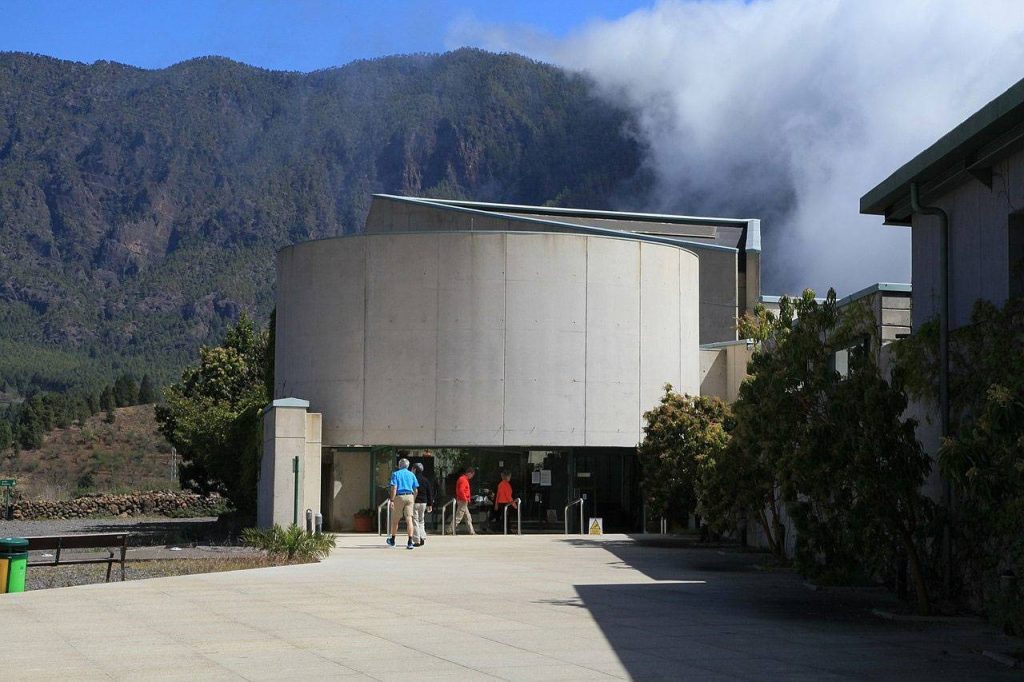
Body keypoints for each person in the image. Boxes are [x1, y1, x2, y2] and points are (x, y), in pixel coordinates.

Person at [387, 458, 418, 549]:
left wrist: (392, 500)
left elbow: (394, 488)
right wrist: (413, 498)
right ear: (408, 466)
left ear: (399, 465)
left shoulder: (396, 474)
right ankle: (410, 542)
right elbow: (416, 489)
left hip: (399, 496)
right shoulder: (412, 474)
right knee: (409, 519)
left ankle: (392, 540)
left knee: (395, 520)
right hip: (410, 496)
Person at [411, 462, 434, 546]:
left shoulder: (412, 479)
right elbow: (429, 492)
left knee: (415, 521)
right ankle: (422, 537)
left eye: (412, 468)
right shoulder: (425, 480)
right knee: (421, 521)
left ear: (415, 469)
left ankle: (417, 540)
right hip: (424, 502)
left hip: (415, 502)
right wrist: (430, 504)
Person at [451, 466, 476, 535]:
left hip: (463, 500)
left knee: (467, 517)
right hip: (463, 500)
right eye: (472, 475)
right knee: (459, 516)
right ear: (469, 473)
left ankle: (472, 531)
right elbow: (461, 490)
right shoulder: (463, 480)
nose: (472, 477)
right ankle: (450, 530)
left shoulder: (463, 479)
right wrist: (465, 499)